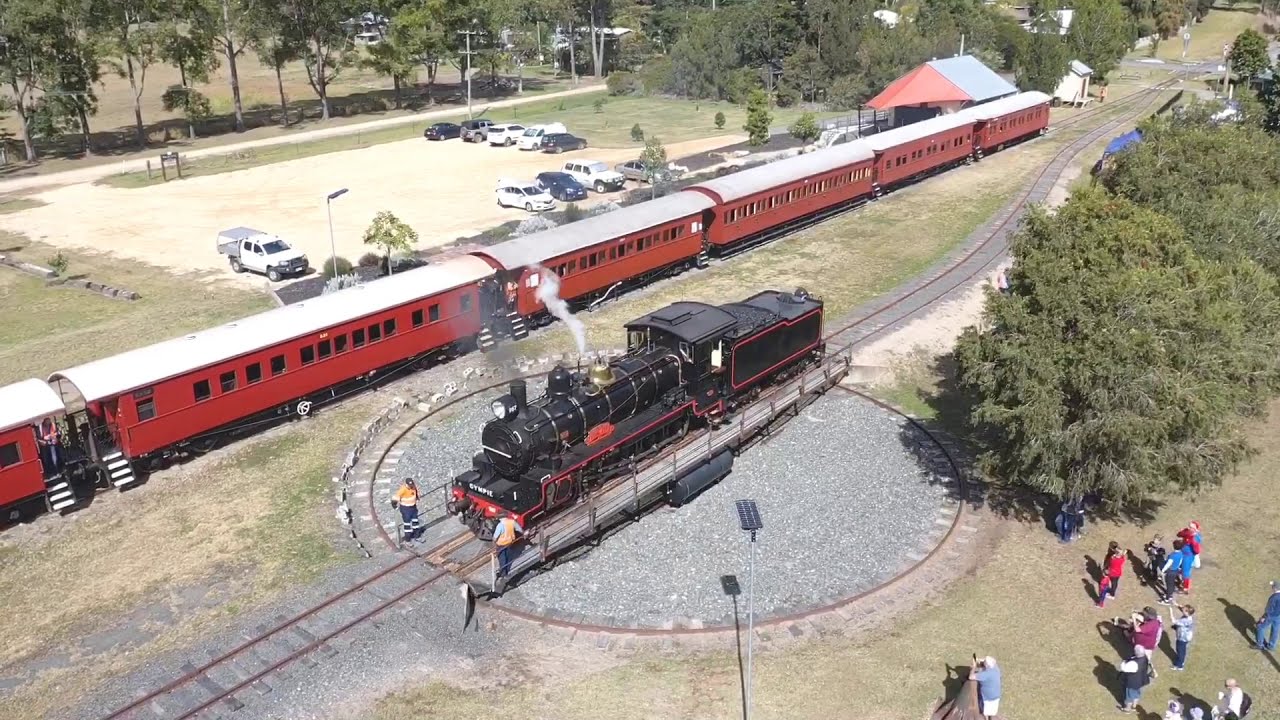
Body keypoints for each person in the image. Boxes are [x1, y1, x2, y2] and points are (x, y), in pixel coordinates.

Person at [969, 655, 1001, 719]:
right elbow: (991, 661)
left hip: (988, 698)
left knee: (985, 713)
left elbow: (971, 677)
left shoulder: (985, 674)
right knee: (993, 712)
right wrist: (979, 660)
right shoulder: (995, 668)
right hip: (996, 695)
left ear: (986, 665)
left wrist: (973, 667)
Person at [391, 479, 421, 543]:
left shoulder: (413, 487)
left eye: (411, 484)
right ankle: (408, 540)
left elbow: (415, 492)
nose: (411, 486)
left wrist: (417, 498)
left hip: (413, 507)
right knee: (407, 525)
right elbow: (395, 498)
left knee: (415, 522)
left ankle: (417, 536)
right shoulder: (403, 490)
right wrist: (395, 506)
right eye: (409, 485)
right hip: (405, 509)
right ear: (406, 484)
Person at [1099, 541, 1127, 608]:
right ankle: (1112, 593)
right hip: (1118, 573)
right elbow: (1122, 556)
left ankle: (1112, 594)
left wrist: (1112, 558)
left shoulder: (1113, 559)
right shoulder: (1122, 558)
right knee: (1115, 583)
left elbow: (1110, 563)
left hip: (1112, 573)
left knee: (1112, 582)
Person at [1255, 580, 1280, 651]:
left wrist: (1263, 617)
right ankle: (1271, 646)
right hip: (1278, 616)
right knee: (1275, 629)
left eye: (1272, 586)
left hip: (1271, 616)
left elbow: (1269, 609)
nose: (1272, 587)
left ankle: (1259, 644)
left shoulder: (1274, 597)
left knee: (1260, 627)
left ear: (1275, 588)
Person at [1170, 604, 1195, 670]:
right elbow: (1182, 609)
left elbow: (1174, 621)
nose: (1182, 610)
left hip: (1182, 638)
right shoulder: (1189, 617)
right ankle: (1181, 661)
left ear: (1187, 612)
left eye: (1184, 610)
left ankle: (1179, 665)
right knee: (1183, 650)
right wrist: (1176, 604)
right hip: (1186, 637)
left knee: (1180, 651)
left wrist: (1170, 611)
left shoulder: (1185, 621)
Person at [1159, 540, 1184, 605]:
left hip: (1170, 571)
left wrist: (1163, 571)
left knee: (1169, 584)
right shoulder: (1181, 553)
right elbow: (1180, 561)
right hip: (1176, 570)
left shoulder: (1172, 555)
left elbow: (1168, 564)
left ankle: (1167, 599)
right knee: (1172, 583)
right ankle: (1170, 594)